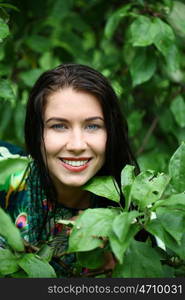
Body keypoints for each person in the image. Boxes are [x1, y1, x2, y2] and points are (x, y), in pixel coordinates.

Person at [0, 63, 138, 277]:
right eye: (59, 126)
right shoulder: (5, 173)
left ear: (111, 133)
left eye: (92, 126)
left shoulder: (136, 220)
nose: (76, 145)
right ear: (37, 134)